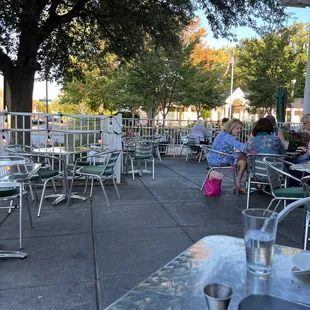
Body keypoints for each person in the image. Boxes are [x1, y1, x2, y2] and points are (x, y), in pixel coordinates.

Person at [208, 119, 247, 193]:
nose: (240, 130)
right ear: (231, 127)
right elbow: (242, 147)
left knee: (242, 160)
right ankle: (239, 183)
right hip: (219, 160)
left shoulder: (222, 134)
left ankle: (238, 183)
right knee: (243, 158)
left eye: (240, 128)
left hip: (213, 158)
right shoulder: (228, 137)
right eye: (237, 128)